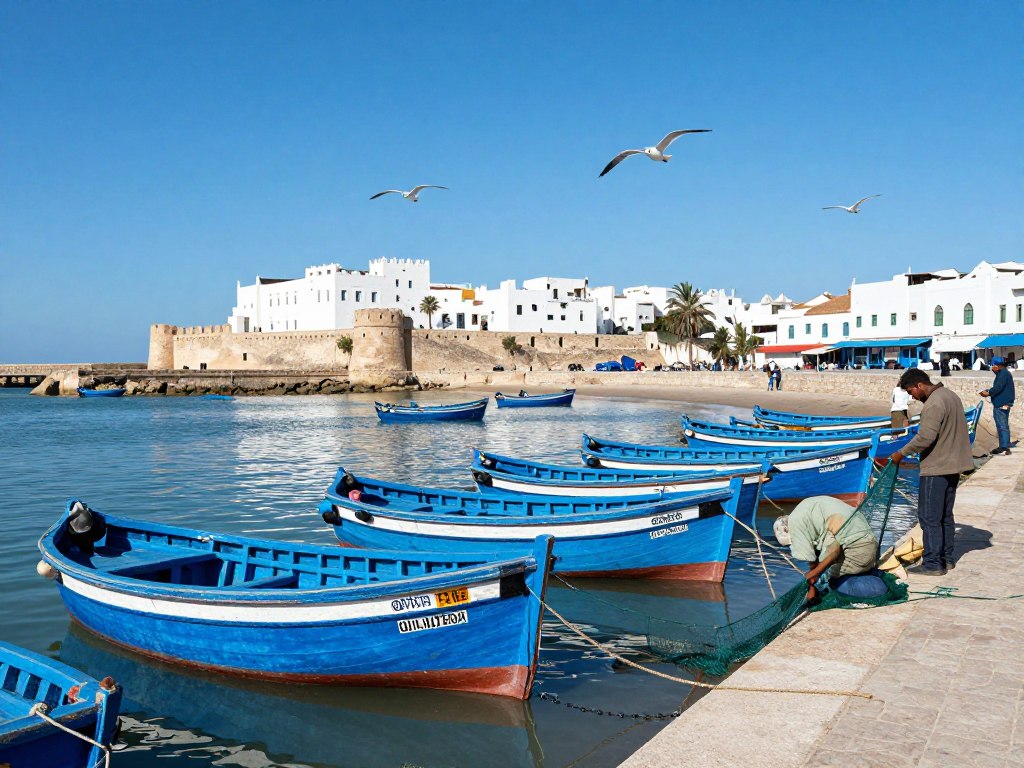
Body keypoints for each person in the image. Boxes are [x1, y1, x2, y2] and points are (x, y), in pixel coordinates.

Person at [890, 368, 975, 576]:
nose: (912, 397)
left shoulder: (934, 403)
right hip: (953, 466)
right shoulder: (950, 396)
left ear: (919, 385)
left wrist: (901, 453)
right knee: (945, 515)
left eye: (911, 392)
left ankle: (933, 563)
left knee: (929, 517)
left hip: (937, 467)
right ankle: (947, 559)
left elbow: (925, 437)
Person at [787, 495, 879, 600]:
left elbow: (832, 553)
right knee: (825, 569)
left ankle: (871, 587)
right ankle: (865, 571)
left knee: (831, 580)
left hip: (859, 549)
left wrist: (813, 576)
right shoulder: (808, 509)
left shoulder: (796, 523)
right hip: (869, 542)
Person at [980, 356, 1015, 455]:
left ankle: (1004, 447)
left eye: (993, 366)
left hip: (1001, 404)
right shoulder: (1004, 373)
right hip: (1005, 402)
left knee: (1001, 425)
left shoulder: (1003, 374)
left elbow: (998, 387)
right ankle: (1005, 446)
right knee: (1004, 425)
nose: (992, 368)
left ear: (997, 365)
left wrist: (988, 393)